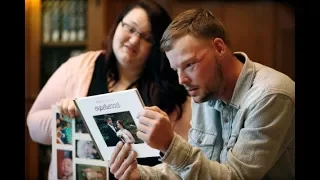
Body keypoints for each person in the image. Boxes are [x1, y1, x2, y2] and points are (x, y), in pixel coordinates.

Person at [109, 8, 295, 180]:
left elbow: (236, 177)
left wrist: (170, 144)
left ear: (219, 48)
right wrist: (140, 175)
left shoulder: (271, 95)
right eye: (176, 70)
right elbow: (192, 170)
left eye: (189, 65)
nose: (182, 80)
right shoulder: (204, 90)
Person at [26, 0, 192, 179]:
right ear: (117, 26)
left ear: (157, 47)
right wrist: (67, 118)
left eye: (147, 38)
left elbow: (185, 160)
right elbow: (33, 125)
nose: (134, 40)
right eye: (130, 28)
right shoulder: (78, 68)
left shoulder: (172, 92)